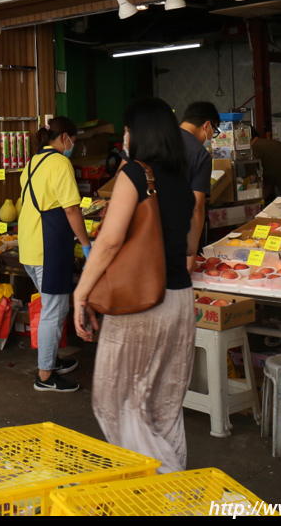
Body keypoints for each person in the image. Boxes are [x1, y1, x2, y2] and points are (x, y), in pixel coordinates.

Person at [73, 98, 201, 474]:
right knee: (164, 405)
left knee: (116, 402)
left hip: (142, 305)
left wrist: (82, 291)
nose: (124, 138)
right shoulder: (182, 177)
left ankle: (160, 486)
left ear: (139, 134)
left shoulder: (134, 175)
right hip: (180, 301)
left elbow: (110, 241)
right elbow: (191, 242)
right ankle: (175, 492)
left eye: (127, 130)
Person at [18, 117, 93, 393]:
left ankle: (50, 361)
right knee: (54, 311)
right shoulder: (60, 163)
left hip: (28, 247)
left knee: (53, 309)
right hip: (47, 248)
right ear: (65, 139)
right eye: (73, 140)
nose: (73, 146)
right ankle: (45, 376)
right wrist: (86, 244)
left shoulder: (32, 162)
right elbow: (72, 209)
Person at [179, 101, 219, 269]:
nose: (211, 137)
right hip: (178, 234)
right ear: (207, 125)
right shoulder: (200, 154)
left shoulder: (158, 139)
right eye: (214, 131)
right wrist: (191, 254)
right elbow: (197, 206)